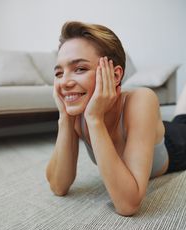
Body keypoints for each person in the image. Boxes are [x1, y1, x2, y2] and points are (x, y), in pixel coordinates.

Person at [46, 21, 186, 216]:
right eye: (59, 73)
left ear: (114, 74)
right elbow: (58, 186)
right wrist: (64, 118)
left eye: (79, 69)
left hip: (178, 143)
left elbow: (128, 204)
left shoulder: (141, 99)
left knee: (182, 123)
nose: (65, 82)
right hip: (153, 130)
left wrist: (95, 119)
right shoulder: (76, 115)